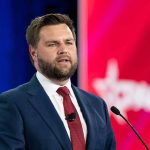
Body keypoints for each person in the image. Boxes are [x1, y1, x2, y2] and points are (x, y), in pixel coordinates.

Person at [0, 13, 116, 150]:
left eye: (69, 42)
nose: (63, 50)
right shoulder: (12, 104)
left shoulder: (97, 105)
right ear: (33, 53)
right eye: (53, 44)